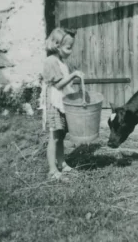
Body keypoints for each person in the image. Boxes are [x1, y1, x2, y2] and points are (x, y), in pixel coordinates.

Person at [39, 27, 84, 179]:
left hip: (61, 102)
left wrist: (74, 96)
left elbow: (65, 85)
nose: (71, 51)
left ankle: (62, 163)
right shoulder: (51, 61)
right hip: (53, 103)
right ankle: (52, 170)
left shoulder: (61, 62)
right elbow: (58, 85)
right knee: (54, 136)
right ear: (57, 45)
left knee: (61, 135)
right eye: (68, 47)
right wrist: (73, 75)